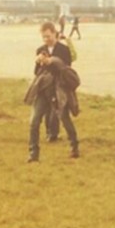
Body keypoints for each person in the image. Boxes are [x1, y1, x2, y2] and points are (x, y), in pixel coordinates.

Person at [27, 22, 79, 162]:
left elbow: (66, 70)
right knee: (34, 120)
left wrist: (52, 62)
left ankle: (74, 146)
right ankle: (33, 153)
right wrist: (39, 62)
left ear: (55, 34)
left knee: (64, 118)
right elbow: (37, 73)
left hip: (59, 89)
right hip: (44, 90)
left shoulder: (63, 49)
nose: (46, 40)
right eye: (43, 37)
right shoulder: (40, 49)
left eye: (48, 36)